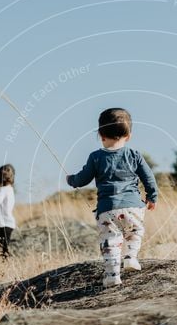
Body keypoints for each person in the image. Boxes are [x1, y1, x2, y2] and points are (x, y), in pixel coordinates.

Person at [66, 108, 158, 287]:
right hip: (133, 207)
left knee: (110, 242)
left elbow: (82, 179)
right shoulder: (134, 155)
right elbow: (149, 178)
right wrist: (152, 197)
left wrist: (71, 180)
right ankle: (131, 257)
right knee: (135, 232)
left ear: (101, 135)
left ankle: (112, 275)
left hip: (106, 210)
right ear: (129, 135)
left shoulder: (96, 157)